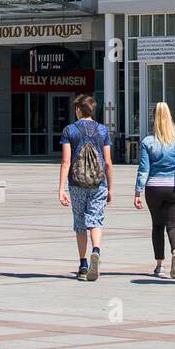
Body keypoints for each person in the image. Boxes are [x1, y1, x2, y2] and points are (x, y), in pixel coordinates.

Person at [134, 102, 175, 278]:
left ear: (154, 118)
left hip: (154, 188)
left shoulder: (148, 141)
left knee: (157, 225)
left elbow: (144, 169)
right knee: (174, 225)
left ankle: (159, 265)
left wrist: (138, 191)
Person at [58, 94, 113, 281]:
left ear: (78, 110)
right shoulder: (103, 131)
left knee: (80, 223)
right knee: (96, 220)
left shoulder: (70, 130)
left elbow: (66, 161)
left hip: (76, 183)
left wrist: (61, 188)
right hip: (99, 184)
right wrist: (110, 188)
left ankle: (83, 264)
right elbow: (108, 162)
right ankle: (96, 250)